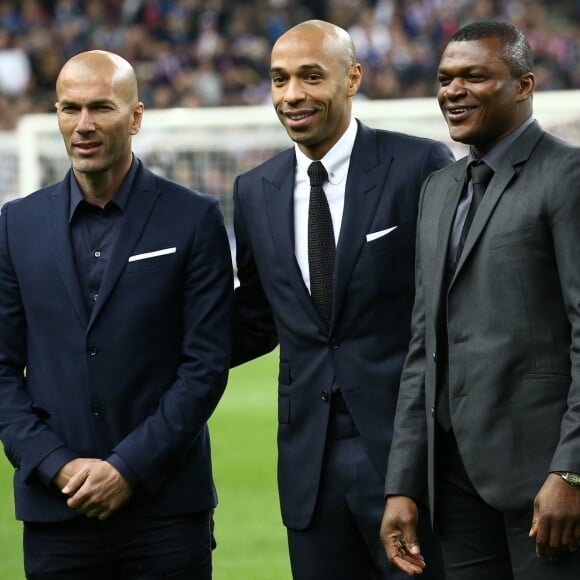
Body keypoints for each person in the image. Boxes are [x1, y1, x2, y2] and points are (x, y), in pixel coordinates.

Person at [232, 19, 454, 580]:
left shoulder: (420, 166)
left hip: (409, 459)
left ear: (352, 77)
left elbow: (457, 305)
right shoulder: (255, 190)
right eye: (279, 80)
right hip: (308, 467)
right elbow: (259, 316)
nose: (292, 95)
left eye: (311, 76)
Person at [0, 50, 233, 579]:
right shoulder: (16, 225)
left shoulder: (193, 218)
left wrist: (127, 468)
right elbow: (1, 368)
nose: (83, 125)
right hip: (56, 510)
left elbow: (205, 365)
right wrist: (55, 464)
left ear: (135, 117)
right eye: (69, 109)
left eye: (101, 108)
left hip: (166, 510)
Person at [380, 20, 580, 580]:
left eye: (475, 76)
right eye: (445, 78)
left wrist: (571, 471)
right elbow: (424, 345)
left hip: (545, 485)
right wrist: (403, 484)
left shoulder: (567, 176)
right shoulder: (439, 189)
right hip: (454, 484)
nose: (452, 90)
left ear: (523, 86)